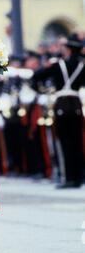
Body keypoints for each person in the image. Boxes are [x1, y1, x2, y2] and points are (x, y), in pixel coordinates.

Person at [32, 34, 85, 188]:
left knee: (64, 143)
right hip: (76, 105)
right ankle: (78, 177)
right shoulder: (82, 66)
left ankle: (67, 177)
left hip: (61, 104)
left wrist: (42, 91)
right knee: (77, 142)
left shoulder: (57, 65)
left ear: (68, 50)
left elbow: (36, 76)